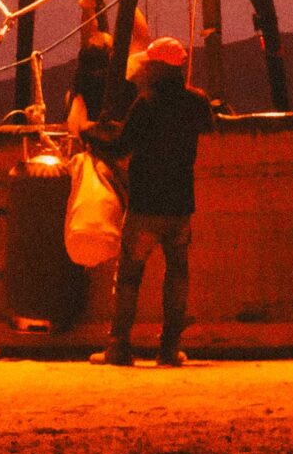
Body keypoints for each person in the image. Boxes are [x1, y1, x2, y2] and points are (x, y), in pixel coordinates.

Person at [88, 37, 215, 368]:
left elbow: (120, 148)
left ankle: (119, 347)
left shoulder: (145, 103)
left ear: (158, 67)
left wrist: (91, 137)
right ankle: (169, 349)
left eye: (148, 64)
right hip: (180, 205)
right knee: (177, 276)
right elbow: (210, 125)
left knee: (130, 277)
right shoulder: (196, 102)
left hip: (145, 204)